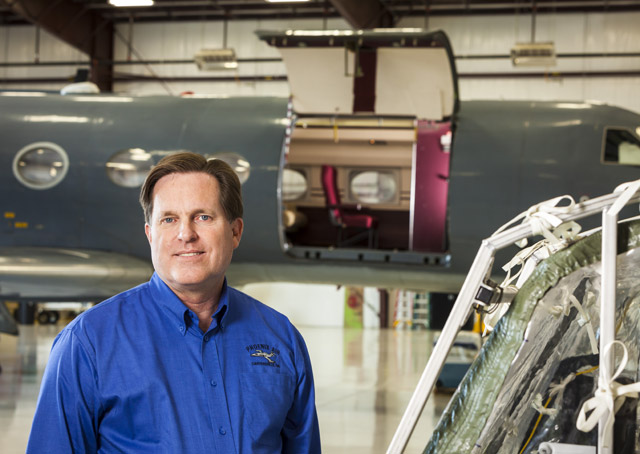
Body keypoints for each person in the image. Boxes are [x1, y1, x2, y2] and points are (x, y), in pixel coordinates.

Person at [27, 152, 321, 453]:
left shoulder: (281, 338)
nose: (186, 234)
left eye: (203, 217)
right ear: (150, 234)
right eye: (169, 219)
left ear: (235, 231)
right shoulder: (87, 343)